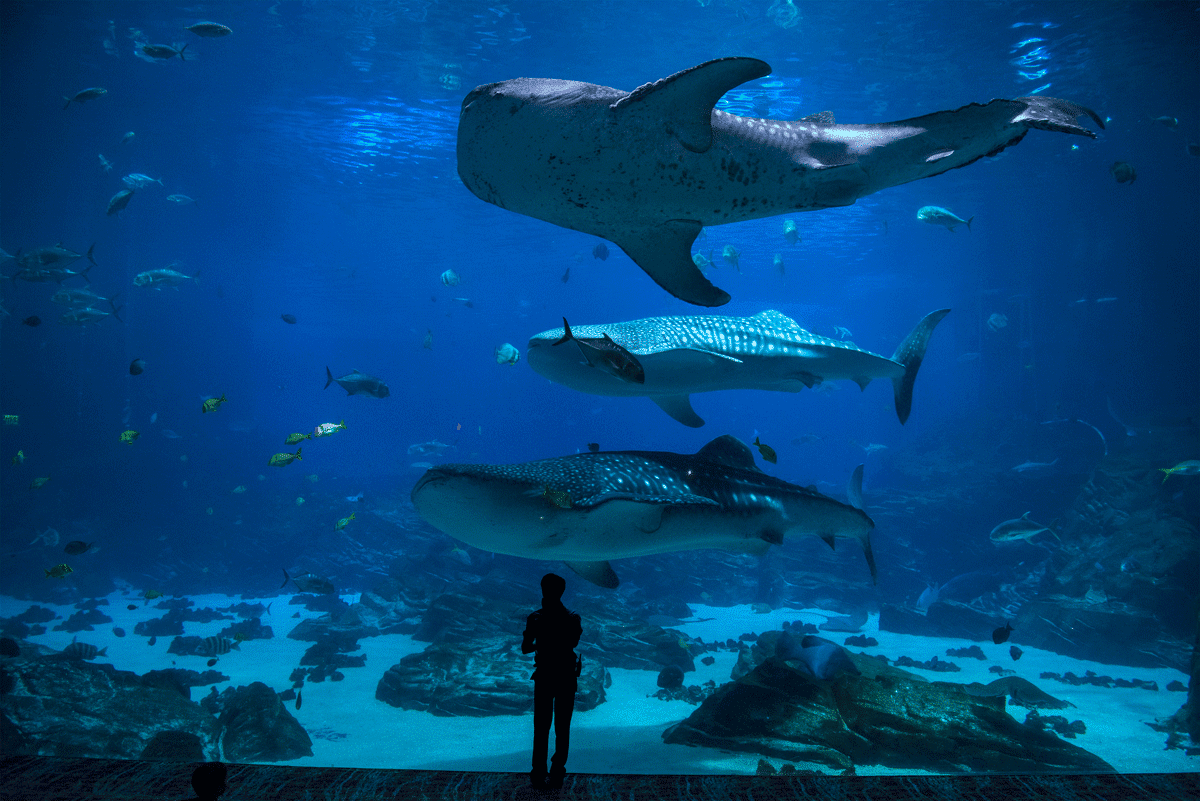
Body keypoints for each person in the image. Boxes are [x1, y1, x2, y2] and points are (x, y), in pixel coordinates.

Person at [521, 573, 582, 790]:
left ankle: (538, 771)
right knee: (562, 726)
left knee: (541, 726)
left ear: (543, 590)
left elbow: (525, 648)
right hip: (565, 675)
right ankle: (557, 770)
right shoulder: (573, 617)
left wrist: (542, 644)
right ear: (562, 591)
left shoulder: (535, 618)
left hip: (545, 675)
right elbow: (573, 642)